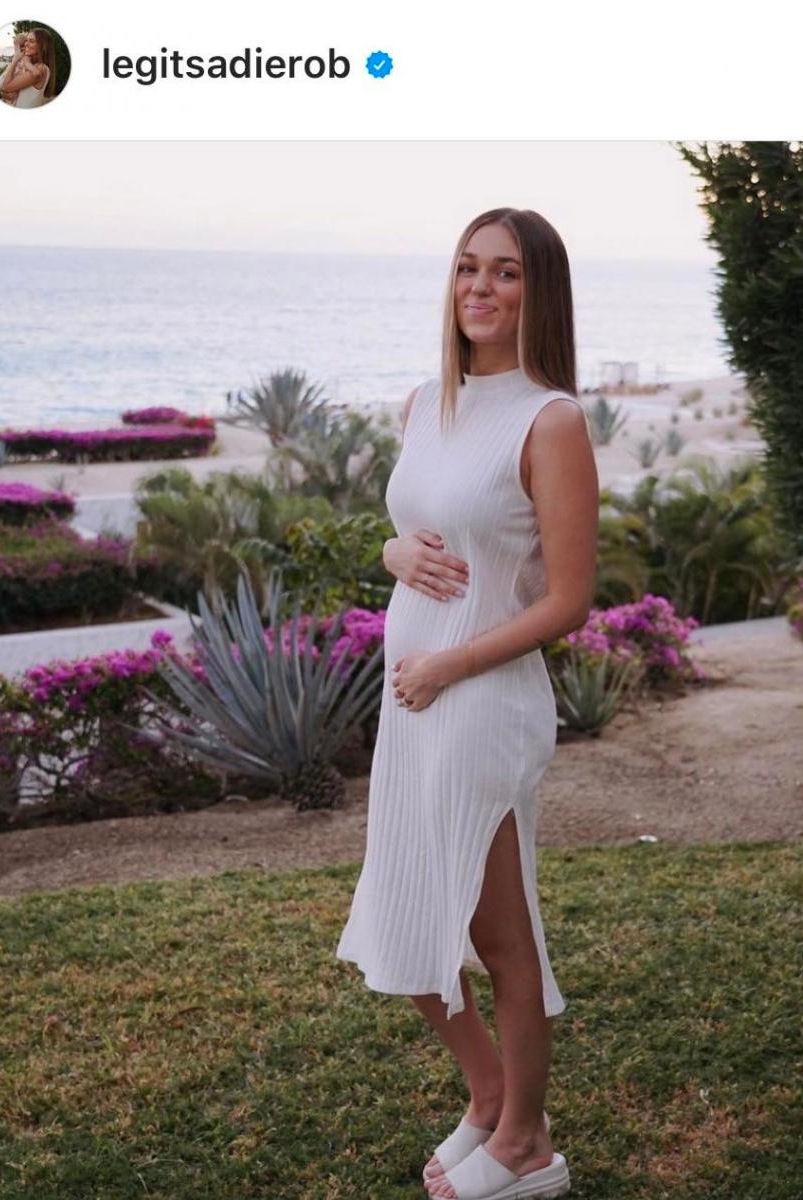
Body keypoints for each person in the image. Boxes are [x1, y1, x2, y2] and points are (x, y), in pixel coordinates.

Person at [335, 208, 598, 1200]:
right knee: (405, 914)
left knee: (495, 935)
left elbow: (566, 601)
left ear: (539, 293)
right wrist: (391, 552)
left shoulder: (550, 421)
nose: (479, 288)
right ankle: (488, 1096)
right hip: (414, 705)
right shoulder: (422, 405)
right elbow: (418, 528)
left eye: (505, 273)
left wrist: (446, 667)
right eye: (466, 268)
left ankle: (526, 1145)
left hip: (482, 704)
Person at [0, 28, 56, 108]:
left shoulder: (41, 69)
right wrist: (4, 94)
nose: (26, 44)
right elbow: (8, 90)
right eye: (26, 40)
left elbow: (5, 86)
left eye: (31, 41)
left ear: (42, 46)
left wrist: (15, 60)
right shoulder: (30, 66)